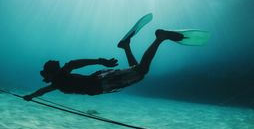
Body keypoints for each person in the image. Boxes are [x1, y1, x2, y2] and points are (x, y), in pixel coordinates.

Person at [23, 29, 183, 101]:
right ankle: (126, 46)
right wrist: (30, 96)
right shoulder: (57, 82)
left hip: (102, 82)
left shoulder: (61, 76)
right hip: (102, 83)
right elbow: (42, 91)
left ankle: (159, 38)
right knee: (138, 72)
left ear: (51, 73)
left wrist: (100, 60)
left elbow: (74, 63)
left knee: (141, 71)